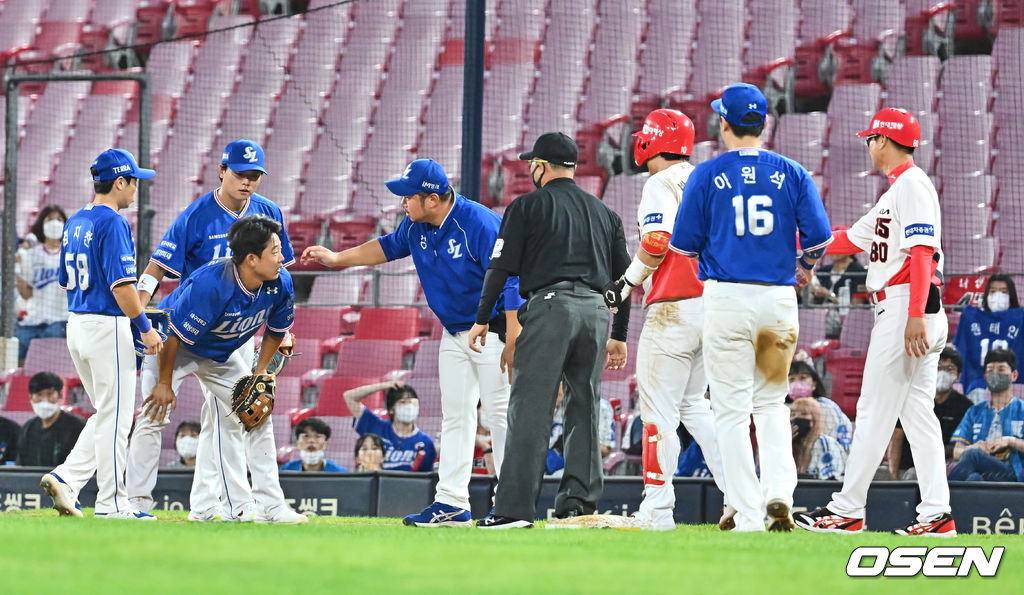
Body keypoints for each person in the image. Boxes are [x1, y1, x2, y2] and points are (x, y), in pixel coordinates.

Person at [302, 158, 521, 527]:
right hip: (453, 332)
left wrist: (514, 334)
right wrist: (338, 259)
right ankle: (452, 503)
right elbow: (385, 247)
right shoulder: (416, 226)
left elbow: (513, 275)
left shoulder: (479, 223)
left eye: (408, 197)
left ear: (432, 198)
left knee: (499, 415)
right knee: (456, 417)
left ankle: (511, 504)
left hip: (493, 330)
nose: (402, 203)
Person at [669, 83, 833, 533]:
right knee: (772, 403)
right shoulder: (793, 171)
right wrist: (803, 268)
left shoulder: (705, 174)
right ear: (763, 123)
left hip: (726, 298)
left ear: (725, 124)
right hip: (778, 300)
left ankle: (746, 509)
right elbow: (819, 239)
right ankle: (780, 493)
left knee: (730, 410)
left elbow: (682, 245)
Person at [794, 107, 956, 537]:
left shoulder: (914, 187)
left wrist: (916, 315)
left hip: (907, 305)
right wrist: (799, 237)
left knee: (872, 411)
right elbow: (848, 238)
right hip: (905, 306)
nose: (868, 146)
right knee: (918, 415)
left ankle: (847, 510)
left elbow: (923, 254)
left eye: (871, 139)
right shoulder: (895, 193)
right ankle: (937, 516)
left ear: (883, 141)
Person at [126, 139, 296, 520]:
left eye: (254, 176)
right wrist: (138, 308)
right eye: (240, 174)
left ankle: (233, 506)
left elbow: (280, 271)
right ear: (222, 171)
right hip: (183, 331)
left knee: (246, 413)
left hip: (232, 334)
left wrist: (266, 361)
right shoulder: (196, 216)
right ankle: (134, 504)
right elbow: (156, 268)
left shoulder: (268, 213)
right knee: (155, 411)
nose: (247, 182)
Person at [469, 131, 631, 529]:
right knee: (585, 407)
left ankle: (512, 511)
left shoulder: (527, 206)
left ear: (541, 167)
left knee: (530, 408)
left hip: (550, 308)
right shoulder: (605, 213)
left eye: (532, 165)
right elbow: (625, 280)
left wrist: (480, 318)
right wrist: (620, 334)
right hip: (595, 313)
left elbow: (500, 268)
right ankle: (579, 504)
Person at [604, 108, 728, 531]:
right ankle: (739, 498)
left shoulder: (659, 181)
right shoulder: (707, 178)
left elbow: (657, 240)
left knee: (658, 411)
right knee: (696, 405)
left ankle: (657, 509)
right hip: (713, 303)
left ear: (650, 142)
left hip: (673, 306)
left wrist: (625, 283)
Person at [141, 215, 306, 524]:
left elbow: (275, 330)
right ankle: (133, 505)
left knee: (258, 410)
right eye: (275, 250)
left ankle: (271, 506)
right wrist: (164, 382)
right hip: (170, 346)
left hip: (218, 354)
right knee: (153, 413)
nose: (282, 256)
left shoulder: (280, 281)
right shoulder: (213, 284)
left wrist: (257, 376)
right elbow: (176, 334)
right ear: (252, 259)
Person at [39, 148, 163, 520]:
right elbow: (122, 288)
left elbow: (64, 280)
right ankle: (113, 504)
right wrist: (145, 329)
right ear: (120, 181)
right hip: (107, 325)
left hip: (76, 323)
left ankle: (67, 478)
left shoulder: (75, 220)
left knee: (107, 414)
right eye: (134, 181)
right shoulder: (113, 222)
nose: (136, 189)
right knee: (118, 418)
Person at [888, 346, 972, 479]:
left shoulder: (965, 407)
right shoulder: (911, 400)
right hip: (906, 468)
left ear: (958, 377)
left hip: (942, 471)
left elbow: (959, 447)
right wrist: (893, 478)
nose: (942, 373)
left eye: (949, 369)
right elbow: (896, 438)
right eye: (938, 367)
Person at [948, 349, 1024, 482]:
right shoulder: (974, 411)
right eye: (990, 370)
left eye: (1001, 369)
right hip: (981, 471)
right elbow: (956, 452)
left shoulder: (1021, 409)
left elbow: (971, 456)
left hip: (1012, 473)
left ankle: (944, 496)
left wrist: (1009, 441)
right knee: (973, 478)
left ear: (1014, 375)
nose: (995, 373)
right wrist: (975, 447)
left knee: (973, 456)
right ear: (984, 375)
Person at [953, 274, 1024, 404]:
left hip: (1013, 384)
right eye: (993, 291)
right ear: (986, 294)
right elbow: (959, 351)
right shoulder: (971, 316)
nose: (998, 295)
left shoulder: (1021, 317)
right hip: (978, 384)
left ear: (1011, 295)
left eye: (1003, 291)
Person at [14, 206, 69, 364]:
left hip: (60, 319)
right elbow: (26, 294)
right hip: (35, 319)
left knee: (48, 343)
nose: (54, 223)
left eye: (59, 219)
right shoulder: (32, 255)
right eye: (49, 219)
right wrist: (17, 269)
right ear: (41, 224)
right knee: (17, 343)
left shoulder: (71, 255)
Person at [343, 380, 436, 472]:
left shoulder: (426, 442)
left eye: (412, 402)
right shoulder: (376, 427)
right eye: (403, 402)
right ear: (391, 409)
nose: (409, 406)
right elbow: (349, 397)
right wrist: (384, 386)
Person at [17, 372, 85, 467]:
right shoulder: (27, 430)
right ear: (31, 397)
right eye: (39, 395)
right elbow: (21, 467)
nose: (44, 400)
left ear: (60, 395)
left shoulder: (77, 427)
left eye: (50, 394)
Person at [787, 360, 853, 451]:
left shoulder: (829, 408)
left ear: (814, 384)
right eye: (791, 379)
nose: (797, 383)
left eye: (802, 378)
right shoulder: (781, 409)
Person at [809, 250, 867, 338]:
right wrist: (812, 293)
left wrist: (829, 295)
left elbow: (857, 306)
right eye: (832, 247)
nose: (834, 251)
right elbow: (812, 302)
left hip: (847, 323)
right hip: (818, 320)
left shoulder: (859, 272)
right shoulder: (823, 271)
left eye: (839, 248)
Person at [791, 397, 847, 480]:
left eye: (804, 414)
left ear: (815, 419)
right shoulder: (789, 445)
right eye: (793, 415)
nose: (797, 418)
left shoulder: (825, 443)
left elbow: (831, 480)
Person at [281, 417, 347, 472]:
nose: (311, 441)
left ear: (326, 444)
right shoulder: (286, 470)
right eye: (306, 436)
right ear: (297, 443)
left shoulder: (339, 473)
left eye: (318, 436)